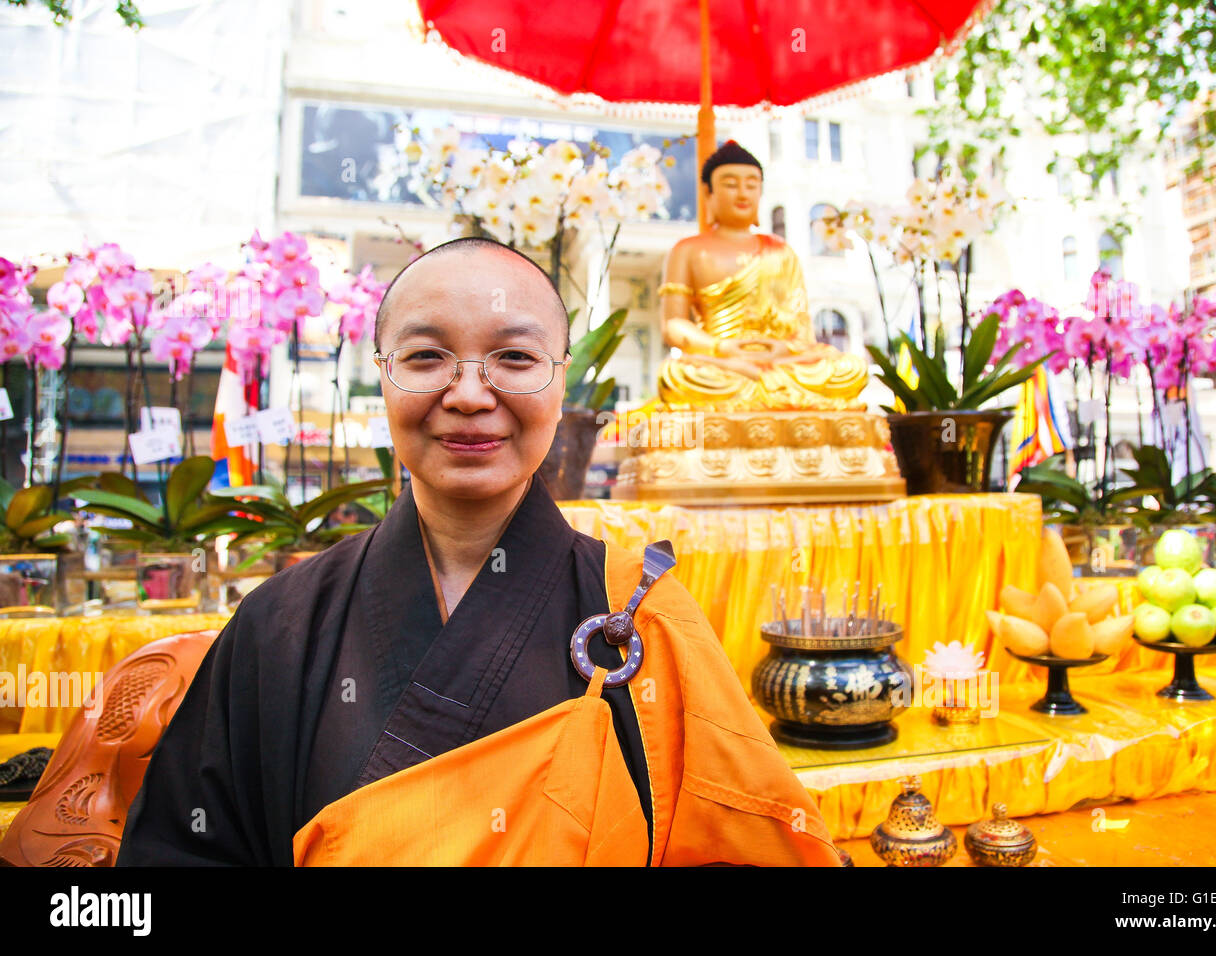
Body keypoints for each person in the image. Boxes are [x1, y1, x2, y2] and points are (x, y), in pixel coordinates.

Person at [118, 236, 842, 866]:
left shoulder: (637, 613)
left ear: (561, 380)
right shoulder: (280, 624)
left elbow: (747, 842)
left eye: (515, 357)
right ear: (382, 375)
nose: (468, 394)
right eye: (427, 356)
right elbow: (184, 851)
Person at [656, 140, 870, 411]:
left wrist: (785, 350)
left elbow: (802, 330)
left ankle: (760, 394)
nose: (742, 193)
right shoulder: (687, 250)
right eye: (731, 185)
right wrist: (722, 348)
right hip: (723, 363)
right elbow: (673, 324)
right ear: (708, 194)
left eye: (752, 185)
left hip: (779, 361)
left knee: (850, 368)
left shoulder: (781, 251)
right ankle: (781, 400)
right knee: (677, 375)